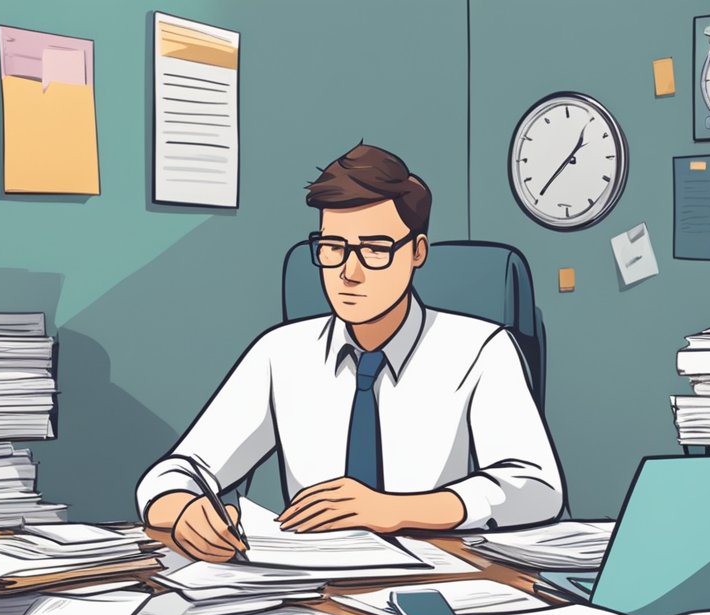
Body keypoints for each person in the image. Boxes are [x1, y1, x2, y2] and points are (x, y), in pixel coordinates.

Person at [136, 143, 564, 562]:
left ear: (417, 252)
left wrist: (392, 510)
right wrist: (183, 510)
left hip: (439, 581)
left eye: (375, 250)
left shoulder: (480, 349)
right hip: (314, 588)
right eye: (333, 248)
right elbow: (172, 473)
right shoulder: (280, 354)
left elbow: (537, 487)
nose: (349, 273)